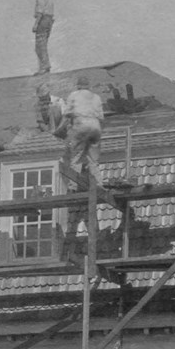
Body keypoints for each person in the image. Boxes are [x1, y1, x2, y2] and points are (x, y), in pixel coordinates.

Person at [58, 76, 104, 238]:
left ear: (78, 86)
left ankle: (72, 185)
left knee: (76, 157)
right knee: (93, 159)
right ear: (89, 86)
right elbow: (101, 117)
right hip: (95, 127)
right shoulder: (96, 97)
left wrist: (59, 130)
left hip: (81, 124)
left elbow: (67, 116)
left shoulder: (73, 95)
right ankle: (99, 183)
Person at [29, 0, 54, 74]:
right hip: (49, 20)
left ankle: (44, 67)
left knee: (40, 45)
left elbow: (40, 11)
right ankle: (45, 66)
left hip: (43, 20)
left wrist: (36, 24)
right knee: (43, 44)